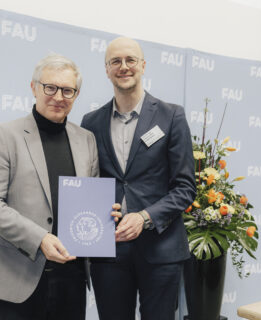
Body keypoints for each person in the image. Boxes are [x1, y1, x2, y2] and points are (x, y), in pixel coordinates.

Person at [0, 54, 98, 320]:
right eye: (50, 87)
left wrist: (104, 214)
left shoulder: (86, 139)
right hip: (15, 278)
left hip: (71, 281)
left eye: (68, 90)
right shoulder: (5, 134)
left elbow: (90, 200)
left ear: (76, 95)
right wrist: (40, 238)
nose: (58, 96)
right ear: (34, 88)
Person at [81, 37, 197, 320]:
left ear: (143, 65)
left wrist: (144, 217)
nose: (124, 67)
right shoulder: (91, 122)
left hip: (161, 249)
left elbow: (185, 188)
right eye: (115, 61)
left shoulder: (171, 116)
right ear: (107, 69)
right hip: (108, 251)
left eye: (130, 60)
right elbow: (88, 183)